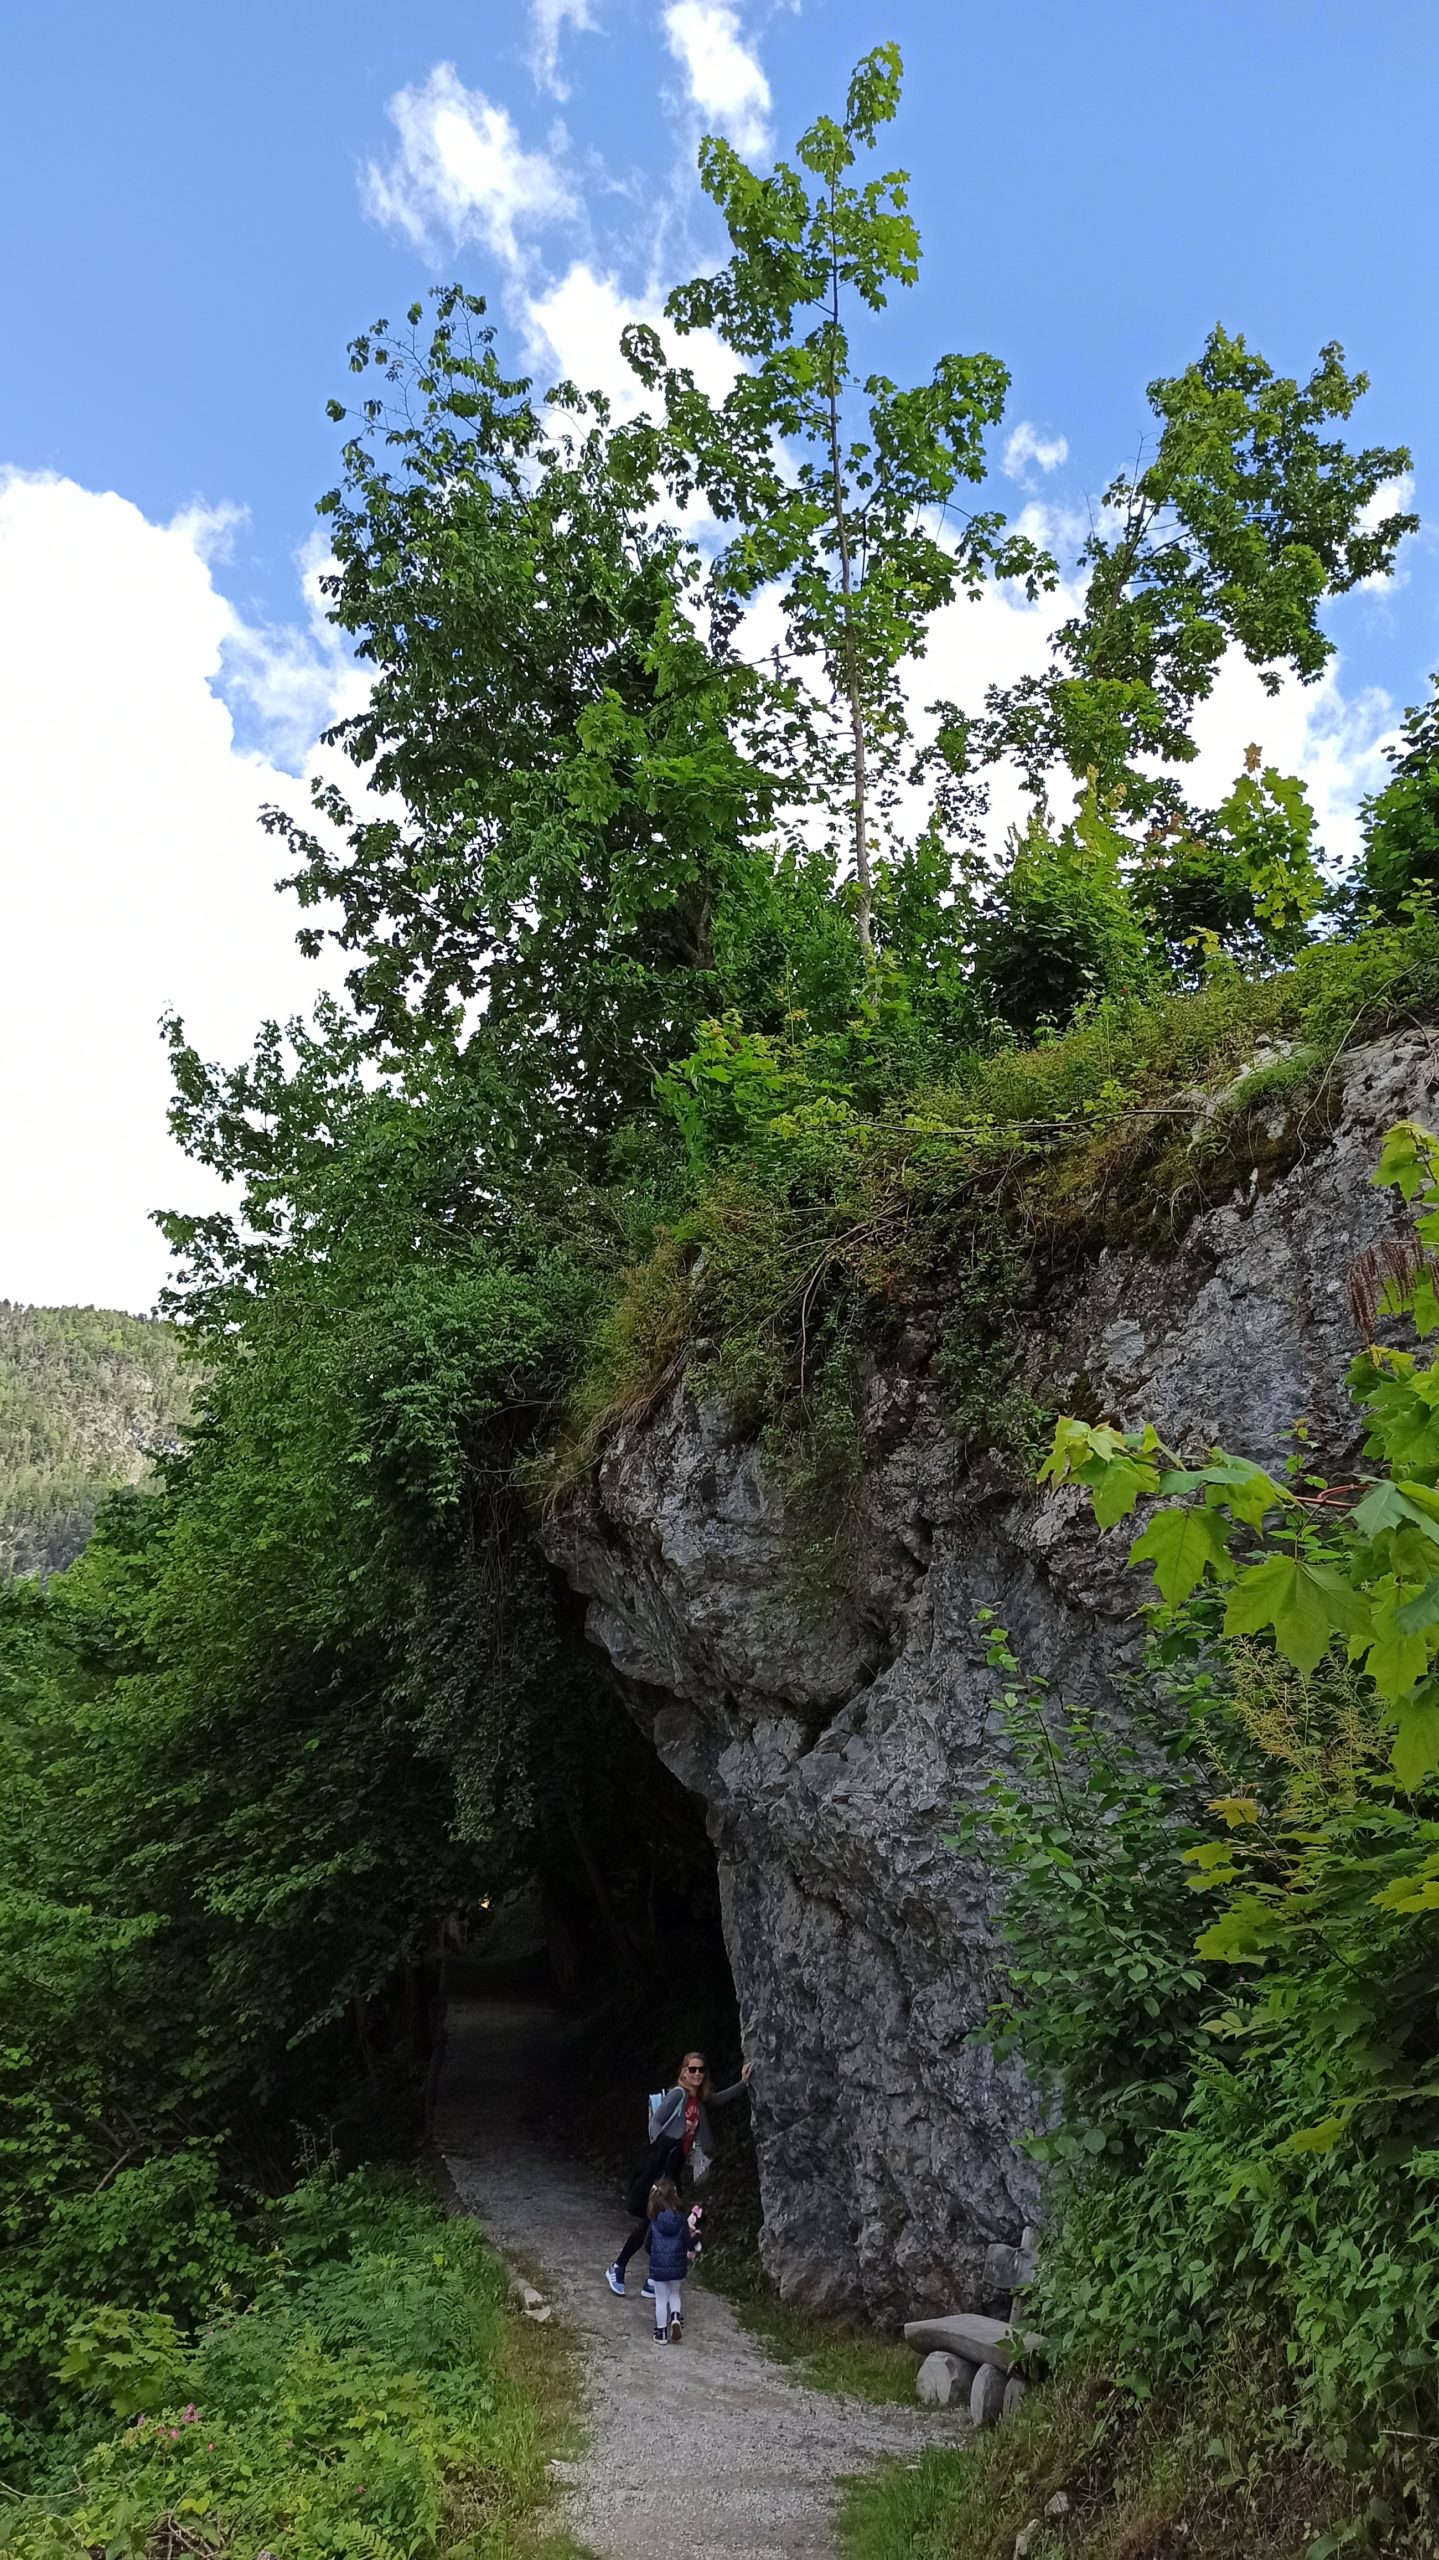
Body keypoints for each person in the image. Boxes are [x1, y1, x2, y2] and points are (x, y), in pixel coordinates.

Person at [604, 2049, 751, 2297]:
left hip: (675, 2167)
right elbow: (656, 2122)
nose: (696, 2074)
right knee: (660, 2219)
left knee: (660, 2220)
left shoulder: (699, 2100)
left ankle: (639, 2273)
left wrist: (744, 2083)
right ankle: (625, 2269)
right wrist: (660, 2147)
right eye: (691, 2069)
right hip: (662, 2167)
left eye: (700, 2070)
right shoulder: (678, 2095)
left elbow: (718, 2099)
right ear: (683, 2072)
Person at [644, 2176, 690, 2342]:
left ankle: (661, 2333)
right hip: (677, 2267)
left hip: (659, 2267)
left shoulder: (654, 2222)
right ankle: (676, 2317)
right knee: (675, 2294)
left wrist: (655, 2256)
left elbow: (647, 2244)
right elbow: (688, 2242)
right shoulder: (682, 2219)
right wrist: (696, 2241)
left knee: (661, 2299)